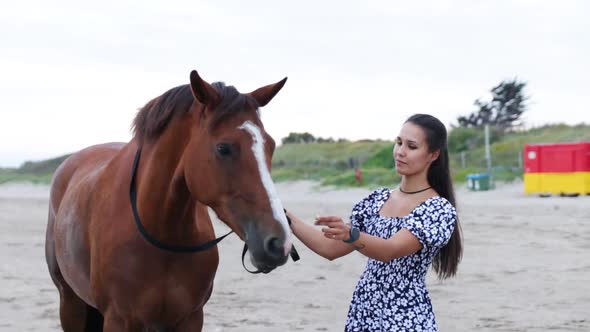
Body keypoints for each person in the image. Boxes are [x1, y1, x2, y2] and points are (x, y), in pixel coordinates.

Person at [285, 114, 463, 332]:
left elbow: (390, 250)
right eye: (399, 142)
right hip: (365, 310)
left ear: (433, 155)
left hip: (405, 314)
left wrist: (352, 234)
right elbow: (329, 249)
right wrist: (283, 216)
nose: (400, 151)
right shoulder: (376, 200)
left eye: (412, 146)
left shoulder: (437, 208)